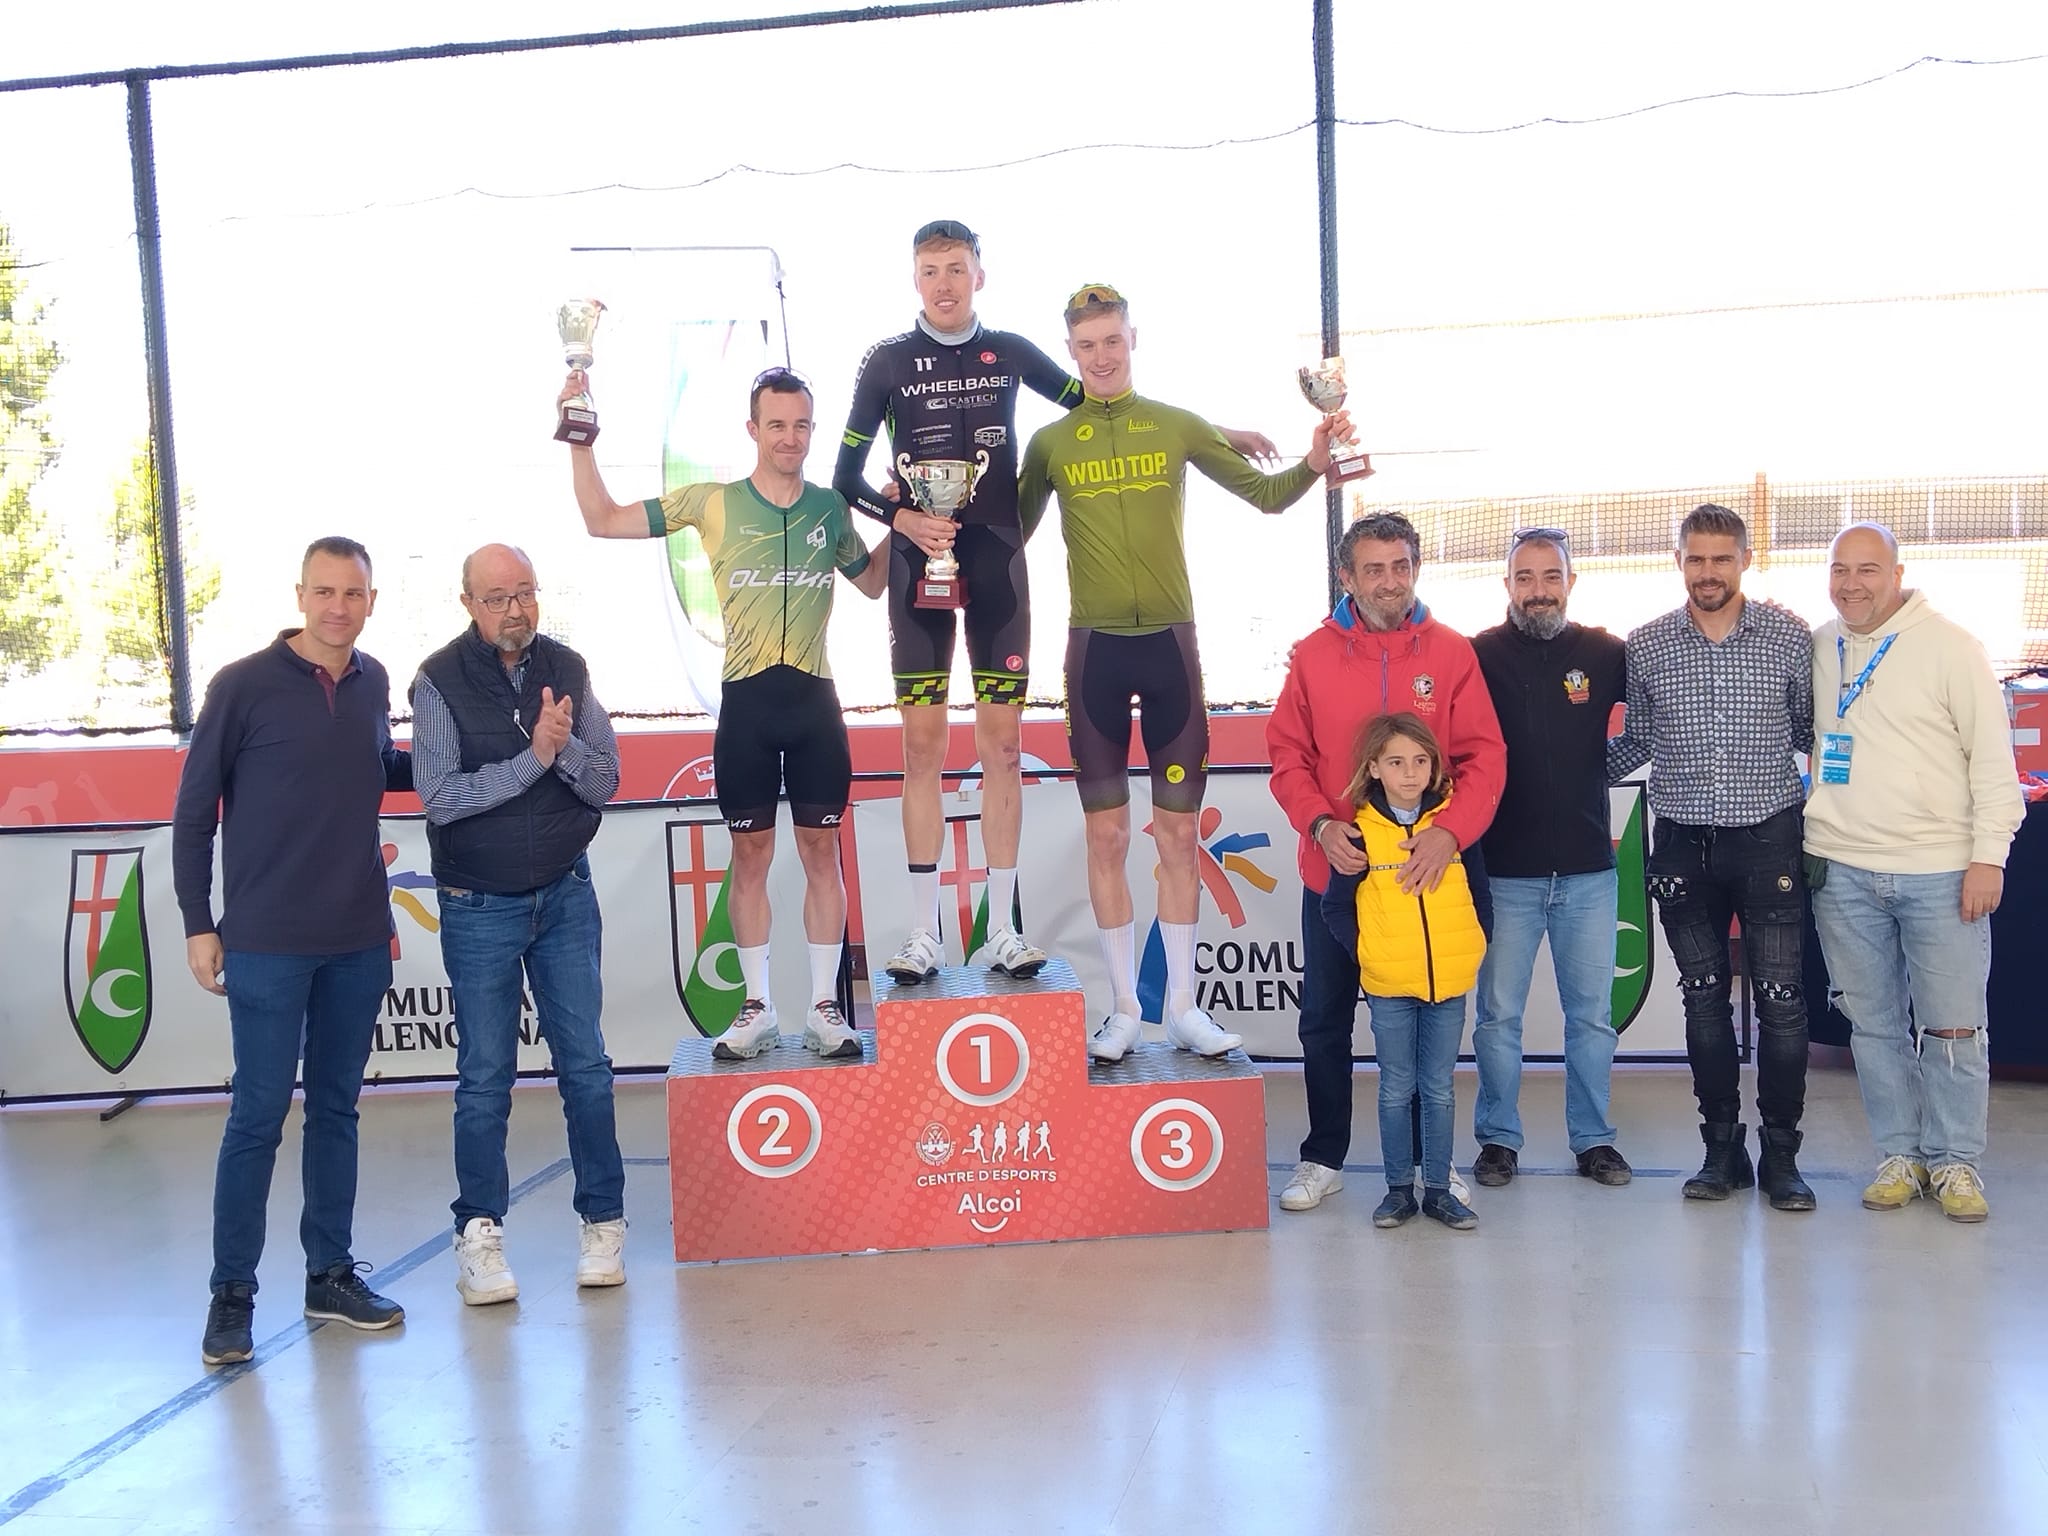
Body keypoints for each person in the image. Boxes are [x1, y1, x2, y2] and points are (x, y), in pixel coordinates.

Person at [835, 222, 1275, 988]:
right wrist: (901, 518)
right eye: (930, 271)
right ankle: (922, 933)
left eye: (957, 269)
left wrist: (1212, 434)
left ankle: (1004, 930)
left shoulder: (1009, 352)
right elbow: (845, 478)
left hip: (999, 566)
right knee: (922, 749)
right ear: (915, 280)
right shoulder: (887, 361)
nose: (944, 284)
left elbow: (1103, 408)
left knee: (1003, 748)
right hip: (916, 566)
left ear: (980, 274)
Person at [1016, 281, 1345, 1061]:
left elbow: (1266, 496)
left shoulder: (1174, 424)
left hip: (1170, 650)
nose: (1102, 356)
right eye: (1087, 345)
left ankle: (1185, 1010)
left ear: (1133, 339)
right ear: (1071, 352)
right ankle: (1125, 1010)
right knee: (1106, 837)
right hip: (1093, 654)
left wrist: (1314, 462)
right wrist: (930, 523)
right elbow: (1006, 536)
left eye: (1113, 340)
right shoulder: (1051, 444)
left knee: (1176, 835)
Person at [567, 366, 887, 1060]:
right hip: (747, 706)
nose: (790, 438)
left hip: (815, 704)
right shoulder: (712, 502)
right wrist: (579, 442)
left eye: (801, 425)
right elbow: (602, 520)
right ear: (753, 429)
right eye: (777, 425)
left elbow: (872, 583)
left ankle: (826, 1007)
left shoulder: (831, 508)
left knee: (822, 852)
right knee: (750, 855)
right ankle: (756, 1006)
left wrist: (910, 517)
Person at [173, 537, 412, 1366]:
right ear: (300, 595)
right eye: (324, 591)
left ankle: (330, 1276)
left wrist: (478, 754)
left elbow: (378, 767)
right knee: (258, 1115)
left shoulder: (375, 682)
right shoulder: (241, 686)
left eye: (353, 593)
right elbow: (194, 813)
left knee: (337, 1110)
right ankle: (231, 1296)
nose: (338, 606)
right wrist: (199, 923)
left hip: (356, 940)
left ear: (371, 601)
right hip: (267, 944)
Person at [1267, 513, 1504, 1211]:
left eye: (1401, 566)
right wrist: (1320, 825)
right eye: (1373, 569)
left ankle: (1434, 1166)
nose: (1389, 582)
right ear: (1347, 577)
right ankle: (1323, 1157)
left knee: (1426, 1032)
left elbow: (1484, 758)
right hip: (1339, 876)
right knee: (1324, 1021)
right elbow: (1288, 756)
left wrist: (1449, 833)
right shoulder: (1312, 655)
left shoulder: (1452, 653)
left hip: (1426, 880)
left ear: (1416, 569)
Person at [411, 544, 628, 1305]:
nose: (515, 610)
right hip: (479, 904)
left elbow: (606, 778)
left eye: (526, 593)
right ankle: (479, 1234)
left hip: (565, 894)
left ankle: (603, 1221)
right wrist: (533, 760)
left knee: (587, 1068)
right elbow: (440, 797)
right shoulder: (437, 679)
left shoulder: (567, 668)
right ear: (469, 604)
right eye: (498, 597)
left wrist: (562, 751)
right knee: (484, 1078)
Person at [1805, 523, 2023, 1222]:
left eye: (1868, 569)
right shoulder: (1821, 645)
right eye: (1840, 569)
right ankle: (1900, 1155)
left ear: (1897, 574)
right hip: (1843, 870)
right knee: (1873, 1029)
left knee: (1953, 1028)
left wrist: (1988, 856)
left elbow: (1993, 762)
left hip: (1940, 871)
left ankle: (1956, 1161)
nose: (1851, 584)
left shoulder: (1952, 648)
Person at [1608, 504, 1816, 1209]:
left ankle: (1781, 1156)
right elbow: (1639, 740)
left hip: (1769, 840)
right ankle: (1721, 1151)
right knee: (1703, 998)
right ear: (1678, 561)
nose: (1708, 571)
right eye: (1695, 558)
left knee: (1782, 1002)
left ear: (1745, 560)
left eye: (1721, 558)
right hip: (1681, 850)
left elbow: (1814, 732)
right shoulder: (1646, 645)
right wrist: (1558, 779)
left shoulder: (1789, 638)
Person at [1468, 528, 1633, 1188]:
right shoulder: (1476, 654)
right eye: (1525, 577)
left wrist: (1597, 770)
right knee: (1498, 1018)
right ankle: (1497, 1140)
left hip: (1588, 873)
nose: (1539, 590)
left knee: (1591, 1018)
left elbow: (1658, 715)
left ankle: (1594, 1141)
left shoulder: (1605, 652)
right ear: (1508, 584)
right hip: (1504, 873)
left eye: (1551, 576)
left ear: (1571, 582)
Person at [1321, 714, 1487, 1231]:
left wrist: (1473, 945)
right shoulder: (1361, 836)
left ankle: (1438, 1190)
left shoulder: (1455, 830)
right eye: (1396, 762)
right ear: (1374, 768)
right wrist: (1369, 954)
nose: (1410, 773)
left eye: (1420, 761)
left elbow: (1480, 896)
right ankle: (1397, 1190)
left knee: (1438, 1088)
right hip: (1389, 988)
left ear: (1434, 766)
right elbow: (1335, 906)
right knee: (1396, 1088)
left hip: (1448, 986)